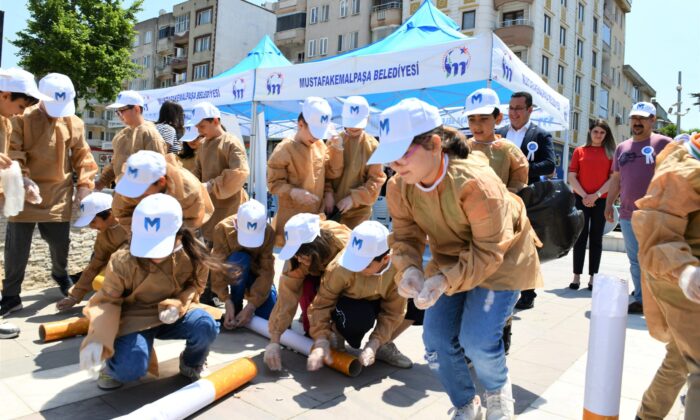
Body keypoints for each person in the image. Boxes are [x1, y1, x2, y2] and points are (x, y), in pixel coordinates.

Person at [371, 98, 542, 419]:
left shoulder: (477, 182)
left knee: (477, 341)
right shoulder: (399, 186)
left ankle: (497, 394)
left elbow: (490, 250)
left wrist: (443, 279)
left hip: (502, 257)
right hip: (451, 257)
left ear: (434, 145)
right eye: (388, 155)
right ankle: (466, 402)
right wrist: (408, 269)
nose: (394, 163)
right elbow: (405, 235)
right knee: (435, 341)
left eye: (402, 153)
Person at [78, 194, 226, 389]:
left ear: (179, 236)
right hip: (133, 316)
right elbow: (107, 301)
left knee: (205, 324)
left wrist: (179, 304)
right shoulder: (122, 260)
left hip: (173, 312)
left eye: (159, 246)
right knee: (129, 369)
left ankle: (192, 362)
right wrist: (98, 338)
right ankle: (113, 367)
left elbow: (195, 287)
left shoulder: (195, 253)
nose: (152, 254)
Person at [2, 73, 98, 317]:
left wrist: (85, 186)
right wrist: (23, 178)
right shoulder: (21, 116)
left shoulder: (73, 121)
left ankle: (60, 272)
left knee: (60, 243)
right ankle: (11, 294)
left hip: (58, 193)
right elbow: (13, 150)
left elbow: (83, 156)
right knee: (17, 247)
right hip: (25, 192)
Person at [631, 135, 700, 419]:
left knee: (681, 356)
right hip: (679, 271)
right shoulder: (683, 166)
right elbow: (656, 230)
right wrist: (684, 270)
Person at [307, 221, 412, 370]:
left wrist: (374, 343)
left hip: (379, 300)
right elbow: (322, 303)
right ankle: (337, 332)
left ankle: (384, 345)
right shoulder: (340, 266)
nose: (357, 267)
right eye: (354, 259)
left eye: (365, 264)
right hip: (350, 304)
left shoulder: (398, 269)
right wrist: (321, 338)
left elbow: (394, 312)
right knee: (360, 317)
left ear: (385, 259)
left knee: (416, 299)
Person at [605, 102, 671, 314]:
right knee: (635, 260)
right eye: (634, 118)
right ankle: (642, 300)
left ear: (652, 120)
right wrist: (608, 204)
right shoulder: (622, 148)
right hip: (626, 214)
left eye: (643, 118)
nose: (637, 122)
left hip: (655, 214)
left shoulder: (664, 143)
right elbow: (616, 179)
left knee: (655, 259)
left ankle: (660, 300)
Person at [263, 213, 350, 371]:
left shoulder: (343, 241)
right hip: (318, 278)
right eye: (296, 254)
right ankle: (315, 328)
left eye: (303, 254)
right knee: (308, 287)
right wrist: (274, 341)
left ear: (316, 245)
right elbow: (286, 297)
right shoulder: (297, 259)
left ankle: (338, 330)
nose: (299, 259)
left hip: (343, 283)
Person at [0, 67, 49, 337]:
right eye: (19, 105)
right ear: (5, 94)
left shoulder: (6, 121)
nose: (20, 113)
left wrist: (21, 182)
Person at [497, 91, 555, 310]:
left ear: (530, 110)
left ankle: (528, 292)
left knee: (525, 246)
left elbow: (549, 165)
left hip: (525, 198)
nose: (514, 113)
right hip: (499, 198)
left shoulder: (540, 135)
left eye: (519, 108)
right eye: (511, 108)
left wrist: (520, 169)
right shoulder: (499, 133)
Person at [267, 97, 344, 246]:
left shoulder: (319, 145)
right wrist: (293, 192)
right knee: (293, 263)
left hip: (316, 217)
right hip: (291, 219)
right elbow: (273, 183)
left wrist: (328, 192)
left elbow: (328, 174)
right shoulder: (284, 149)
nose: (316, 137)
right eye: (313, 132)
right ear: (301, 124)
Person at [211, 199, 278, 329]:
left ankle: (257, 301)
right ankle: (235, 306)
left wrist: (252, 305)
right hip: (234, 272)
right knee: (240, 258)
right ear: (236, 223)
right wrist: (227, 300)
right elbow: (217, 267)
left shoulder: (269, 232)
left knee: (268, 316)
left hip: (255, 275)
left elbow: (266, 270)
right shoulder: (223, 228)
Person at [56, 192, 128, 310]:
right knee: (99, 281)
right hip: (124, 271)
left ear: (109, 214)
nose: (91, 226)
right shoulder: (103, 235)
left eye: (93, 221)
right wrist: (74, 296)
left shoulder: (132, 224)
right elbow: (94, 265)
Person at [111, 150, 213, 233]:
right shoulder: (129, 183)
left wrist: (166, 234)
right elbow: (122, 215)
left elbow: (193, 221)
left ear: (161, 181)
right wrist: (141, 232)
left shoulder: (188, 192)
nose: (136, 195)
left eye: (141, 190)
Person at [191, 102, 250, 243]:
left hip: (231, 207)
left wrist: (212, 186)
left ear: (216, 121)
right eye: (197, 127)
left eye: (202, 126)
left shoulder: (231, 142)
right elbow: (197, 171)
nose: (199, 131)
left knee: (228, 246)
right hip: (210, 207)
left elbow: (239, 172)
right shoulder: (203, 145)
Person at [567, 119, 615, 290]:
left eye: (602, 132)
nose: (599, 135)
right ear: (590, 132)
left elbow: (612, 179)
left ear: (606, 135)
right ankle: (576, 276)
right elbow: (572, 176)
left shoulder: (611, 153)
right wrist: (585, 196)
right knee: (580, 237)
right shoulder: (579, 151)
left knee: (596, 238)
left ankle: (593, 278)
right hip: (581, 198)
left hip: (601, 200)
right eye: (596, 132)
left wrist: (596, 195)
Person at [325, 96, 387, 228]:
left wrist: (354, 198)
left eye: (357, 124)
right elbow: (325, 172)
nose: (353, 128)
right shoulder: (333, 140)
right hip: (331, 210)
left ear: (367, 119)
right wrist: (328, 193)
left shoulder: (373, 146)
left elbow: (376, 181)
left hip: (358, 214)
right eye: (350, 124)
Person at [95, 90, 168, 190]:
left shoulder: (150, 134)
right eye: (117, 111)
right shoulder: (121, 135)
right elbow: (115, 165)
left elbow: (157, 172)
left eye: (122, 110)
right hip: (122, 193)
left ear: (137, 109)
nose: (119, 115)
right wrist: (100, 183)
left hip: (142, 195)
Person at [464, 88, 529, 193]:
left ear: (498, 118)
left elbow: (519, 183)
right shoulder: (462, 149)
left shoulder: (509, 150)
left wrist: (505, 197)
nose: (477, 125)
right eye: (471, 119)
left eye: (484, 118)